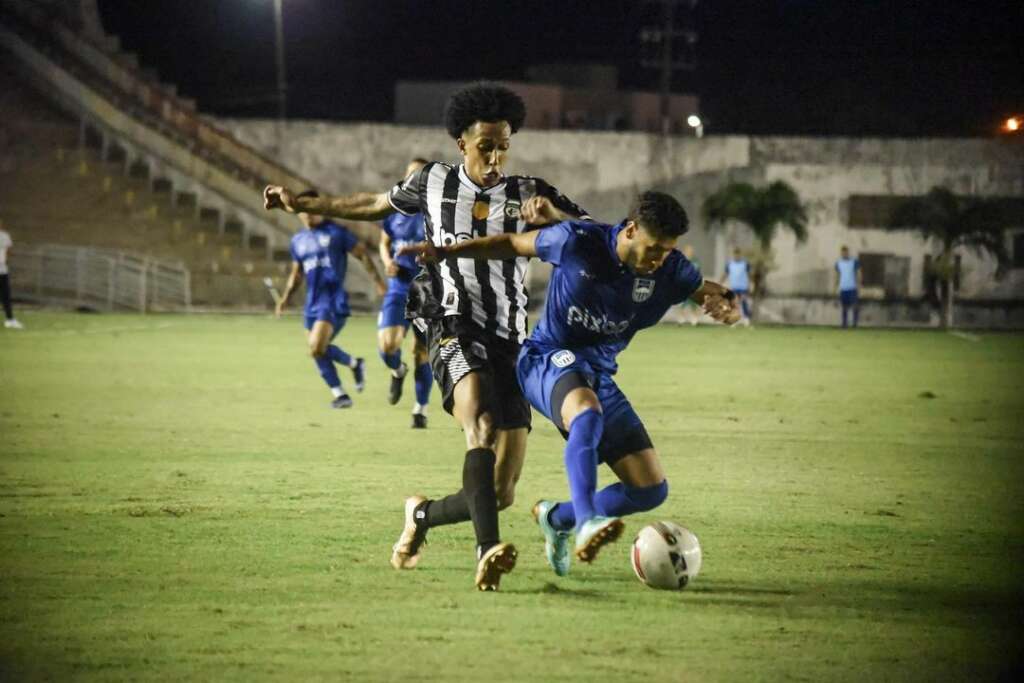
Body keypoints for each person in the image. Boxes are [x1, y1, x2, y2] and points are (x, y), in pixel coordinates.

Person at [263, 83, 590, 591]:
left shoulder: (530, 191)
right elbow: (373, 203)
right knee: (477, 421)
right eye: (487, 146)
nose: (497, 156)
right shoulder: (433, 182)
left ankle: (421, 517)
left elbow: (598, 237)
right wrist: (300, 202)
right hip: (450, 319)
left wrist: (558, 219)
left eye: (504, 145)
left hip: (511, 338)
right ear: (462, 143)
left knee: (501, 491)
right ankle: (488, 552)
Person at [401, 191, 740, 575]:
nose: (658, 259)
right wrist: (449, 253)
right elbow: (513, 243)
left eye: (666, 250)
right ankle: (587, 520)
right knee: (586, 412)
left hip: (598, 374)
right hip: (545, 357)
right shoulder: (577, 241)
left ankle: (557, 518)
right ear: (630, 231)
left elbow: (710, 291)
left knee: (649, 489)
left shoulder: (672, 270)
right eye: (652, 249)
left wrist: (728, 304)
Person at [275, 193, 386, 408]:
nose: (308, 214)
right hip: (312, 304)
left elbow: (363, 254)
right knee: (316, 350)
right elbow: (297, 274)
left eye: (313, 208)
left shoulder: (337, 233)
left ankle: (352, 369)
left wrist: (378, 282)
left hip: (332, 300)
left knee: (317, 347)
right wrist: (285, 298)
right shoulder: (298, 241)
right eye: (303, 209)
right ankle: (343, 391)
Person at [377, 158, 433, 428]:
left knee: (422, 351)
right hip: (398, 287)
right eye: (411, 175)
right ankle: (397, 371)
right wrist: (387, 262)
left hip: (427, 289)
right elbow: (383, 242)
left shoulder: (436, 213)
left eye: (420, 176)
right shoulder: (393, 212)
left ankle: (420, 410)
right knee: (388, 345)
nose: (415, 180)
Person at [0, 218, 23, 330]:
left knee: (6, 296)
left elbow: (9, 251)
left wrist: (5, 260)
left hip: (2, 270)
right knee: (5, 296)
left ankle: (10, 320)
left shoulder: (4, 236)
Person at [721, 247, 752, 325]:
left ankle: (746, 320)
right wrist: (720, 282)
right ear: (733, 255)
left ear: (740, 255)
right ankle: (733, 321)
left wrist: (750, 284)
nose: (737, 256)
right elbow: (725, 274)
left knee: (744, 303)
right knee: (733, 304)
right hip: (734, 287)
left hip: (743, 287)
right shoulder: (729, 264)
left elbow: (749, 275)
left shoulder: (745, 264)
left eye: (738, 254)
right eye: (735, 254)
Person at [835, 245, 861, 328]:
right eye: (843, 253)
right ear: (841, 253)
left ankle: (855, 324)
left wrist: (859, 285)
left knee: (855, 306)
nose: (844, 254)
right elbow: (837, 275)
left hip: (852, 288)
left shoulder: (854, 262)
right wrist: (835, 286)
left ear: (848, 252)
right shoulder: (838, 263)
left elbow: (859, 273)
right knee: (844, 308)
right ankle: (844, 324)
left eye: (845, 252)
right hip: (843, 288)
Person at [677, 244, 704, 326]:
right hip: (683, 286)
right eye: (688, 251)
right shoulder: (681, 261)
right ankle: (681, 320)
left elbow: (698, 273)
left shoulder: (696, 262)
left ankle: (694, 320)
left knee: (694, 304)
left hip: (692, 286)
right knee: (681, 304)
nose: (690, 252)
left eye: (691, 251)